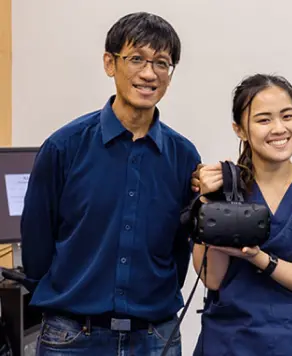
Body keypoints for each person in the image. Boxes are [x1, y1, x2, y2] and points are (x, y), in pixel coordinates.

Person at [20, 12, 197, 355]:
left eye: (162, 63)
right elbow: (37, 241)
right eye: (136, 59)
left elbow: (180, 247)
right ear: (109, 63)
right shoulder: (63, 147)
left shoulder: (184, 156)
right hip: (72, 337)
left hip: (154, 337)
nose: (149, 73)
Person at [191, 74, 292, 355]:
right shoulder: (225, 187)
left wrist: (259, 258)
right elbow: (212, 279)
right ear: (240, 129)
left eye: (287, 116)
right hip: (229, 343)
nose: (279, 129)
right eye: (264, 120)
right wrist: (207, 203)